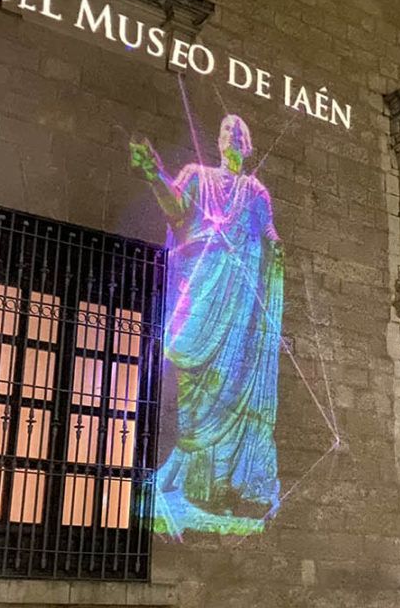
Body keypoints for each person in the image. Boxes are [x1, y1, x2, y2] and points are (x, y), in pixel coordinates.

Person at [129, 114, 284, 536]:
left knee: (228, 380)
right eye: (225, 132)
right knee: (183, 350)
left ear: (247, 144)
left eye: (239, 132)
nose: (232, 136)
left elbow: (266, 231)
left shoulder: (256, 192)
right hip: (203, 281)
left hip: (238, 295)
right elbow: (176, 207)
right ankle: (187, 460)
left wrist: (273, 247)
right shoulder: (197, 176)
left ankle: (215, 479)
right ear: (218, 142)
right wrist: (153, 171)